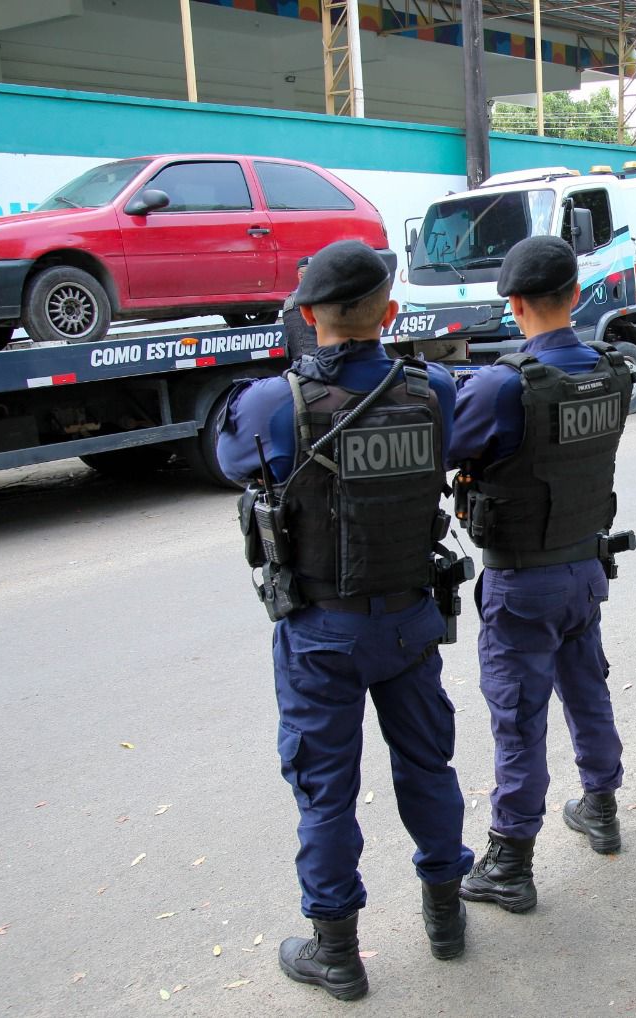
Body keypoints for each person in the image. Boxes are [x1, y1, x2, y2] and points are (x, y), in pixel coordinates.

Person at [215, 240, 472, 1001]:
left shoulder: (274, 403)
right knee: (428, 767)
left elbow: (237, 461)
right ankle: (447, 922)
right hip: (409, 620)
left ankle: (337, 955)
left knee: (325, 790)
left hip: (322, 631)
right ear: (390, 314)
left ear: (304, 316)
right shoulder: (436, 390)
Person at [448, 236, 634, 914]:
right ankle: (602, 807)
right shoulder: (611, 370)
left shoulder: (505, 385)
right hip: (585, 568)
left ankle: (511, 863)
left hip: (523, 581)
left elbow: (447, 444)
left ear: (515, 304)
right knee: (586, 687)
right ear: (577, 297)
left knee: (519, 716)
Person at [280, 256, 318, 361]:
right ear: (301, 276)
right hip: (314, 362)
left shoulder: (290, 299)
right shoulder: (310, 298)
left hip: (302, 363)